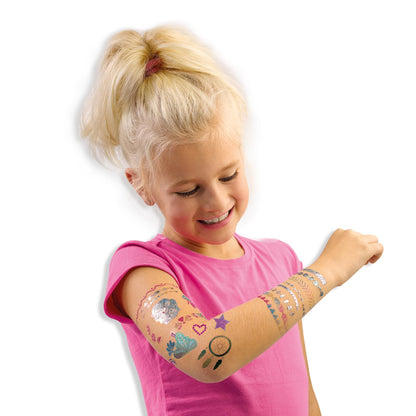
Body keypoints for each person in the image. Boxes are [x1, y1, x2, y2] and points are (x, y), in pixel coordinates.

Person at [80, 26, 383, 416]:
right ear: (141, 184)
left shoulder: (280, 261)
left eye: (229, 175)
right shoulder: (143, 270)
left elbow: (305, 396)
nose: (217, 201)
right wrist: (325, 272)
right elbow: (205, 354)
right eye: (189, 190)